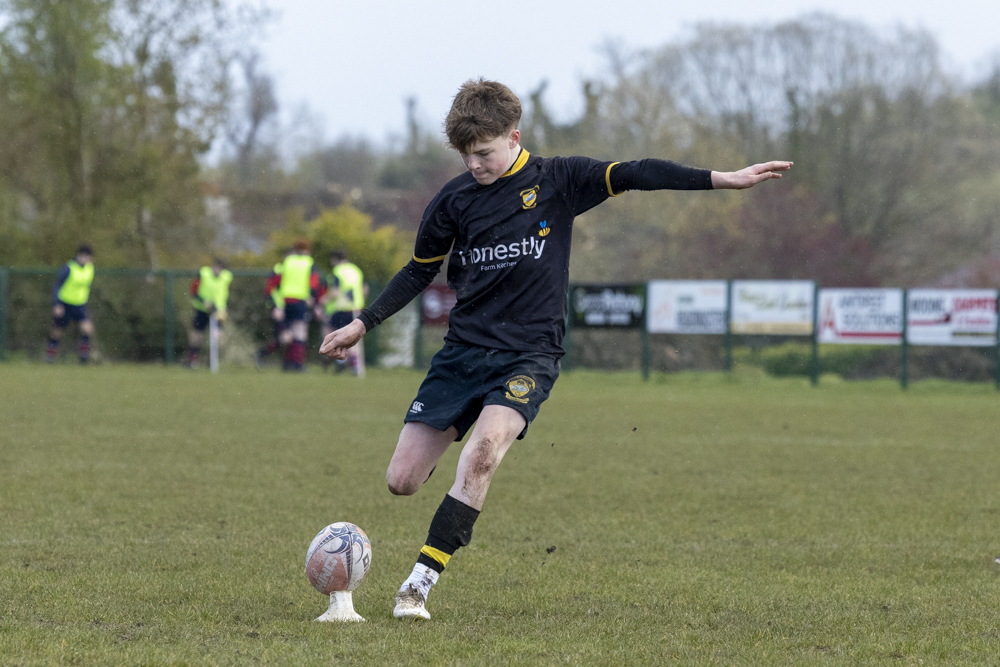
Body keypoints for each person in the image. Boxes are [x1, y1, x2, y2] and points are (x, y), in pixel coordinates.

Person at [319, 79, 792, 620]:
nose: (474, 164)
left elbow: (636, 172)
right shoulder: (453, 200)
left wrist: (720, 179)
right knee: (401, 481)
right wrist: (364, 322)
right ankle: (452, 454)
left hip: (529, 355)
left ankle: (417, 586)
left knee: (483, 452)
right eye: (465, 155)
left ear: (514, 137)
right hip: (462, 355)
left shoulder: (558, 180)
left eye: (484, 152)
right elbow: (417, 271)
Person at [266, 239, 320, 371]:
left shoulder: (287, 262)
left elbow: (275, 283)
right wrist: (312, 297)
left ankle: (285, 362)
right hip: (299, 300)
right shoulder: (309, 263)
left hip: (285, 301)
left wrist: (274, 304)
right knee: (299, 333)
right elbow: (313, 283)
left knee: (287, 335)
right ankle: (297, 363)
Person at [319, 249, 367, 375]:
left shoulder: (338, 271)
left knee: (330, 332)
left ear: (334, 259)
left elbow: (335, 292)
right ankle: (355, 366)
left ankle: (340, 361)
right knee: (353, 337)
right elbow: (364, 289)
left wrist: (323, 299)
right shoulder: (355, 270)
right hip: (356, 308)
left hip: (342, 307)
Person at [47, 244, 96, 363]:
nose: (89, 260)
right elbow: (57, 285)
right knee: (57, 330)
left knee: (87, 328)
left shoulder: (90, 268)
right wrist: (57, 304)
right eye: (87, 257)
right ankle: (50, 356)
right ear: (81, 255)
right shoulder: (68, 268)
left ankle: (84, 357)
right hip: (65, 303)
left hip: (80, 305)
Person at [186, 258, 233, 368]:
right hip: (202, 309)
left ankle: (211, 359)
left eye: (220, 269)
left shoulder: (226, 277)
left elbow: (225, 293)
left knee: (218, 335)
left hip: (219, 310)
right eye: (216, 268)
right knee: (197, 334)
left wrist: (224, 306)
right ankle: (193, 359)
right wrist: (204, 302)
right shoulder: (204, 274)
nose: (218, 271)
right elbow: (194, 291)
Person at [256, 248, 292, 368]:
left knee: (285, 338)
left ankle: (285, 362)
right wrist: (273, 306)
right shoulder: (278, 270)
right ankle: (262, 353)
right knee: (285, 338)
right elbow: (268, 289)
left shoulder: (295, 271)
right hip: (279, 308)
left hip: (290, 308)